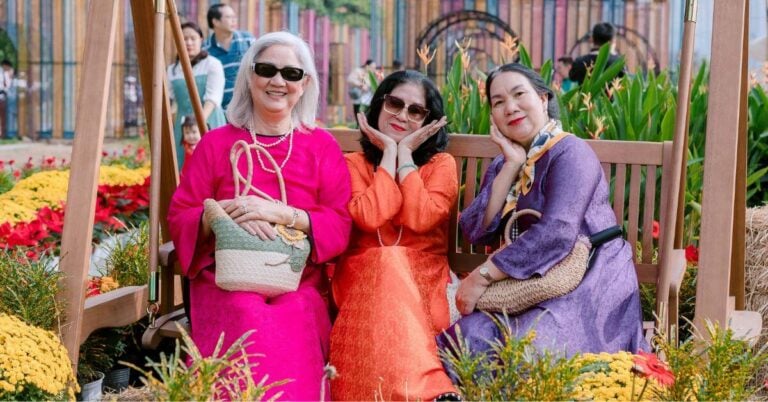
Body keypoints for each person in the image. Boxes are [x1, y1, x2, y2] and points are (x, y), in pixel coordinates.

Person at [167, 31, 352, 400]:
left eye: (291, 74)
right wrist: (223, 215)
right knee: (243, 310)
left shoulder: (321, 146)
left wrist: (283, 214)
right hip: (227, 280)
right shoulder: (216, 143)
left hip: (297, 279)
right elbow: (181, 214)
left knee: (295, 313)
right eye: (267, 70)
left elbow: (340, 222)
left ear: (305, 84)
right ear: (249, 76)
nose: (278, 81)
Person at [437, 63, 646, 369]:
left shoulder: (570, 152)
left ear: (543, 99)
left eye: (519, 94)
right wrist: (511, 166)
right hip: (527, 282)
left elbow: (557, 231)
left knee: (530, 348)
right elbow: (476, 231)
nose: (510, 107)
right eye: (498, 102)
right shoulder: (505, 163)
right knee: (468, 337)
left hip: (588, 278)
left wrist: (482, 277)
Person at [330, 70, 459, 401]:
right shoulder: (354, 164)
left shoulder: (441, 164)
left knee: (391, 259)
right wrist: (389, 152)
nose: (402, 115)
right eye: (394, 103)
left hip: (423, 279)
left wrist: (405, 160)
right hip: (361, 279)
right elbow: (370, 216)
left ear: (429, 122)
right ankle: (432, 392)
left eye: (415, 111)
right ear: (378, 105)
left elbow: (421, 217)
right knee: (386, 258)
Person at [167, 21, 226, 170]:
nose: (188, 43)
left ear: (201, 40)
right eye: (184, 39)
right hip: (183, 127)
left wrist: (198, 122)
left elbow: (213, 98)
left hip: (210, 121)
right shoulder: (172, 70)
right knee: (184, 167)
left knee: (212, 165)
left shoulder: (212, 64)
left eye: (192, 38)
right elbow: (171, 102)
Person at [204, 3, 256, 110]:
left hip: (248, 107)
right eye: (228, 17)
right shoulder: (205, 50)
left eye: (234, 17)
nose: (234, 20)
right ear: (215, 22)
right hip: (220, 110)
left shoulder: (248, 40)